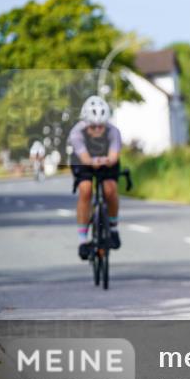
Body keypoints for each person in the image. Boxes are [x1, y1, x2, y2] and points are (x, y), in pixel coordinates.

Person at [68, 95, 122, 260]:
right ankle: (83, 239)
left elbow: (113, 156)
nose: (98, 130)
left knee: (110, 188)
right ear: (86, 123)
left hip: (105, 160)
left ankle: (112, 228)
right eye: (94, 127)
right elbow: (84, 159)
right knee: (85, 189)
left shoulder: (114, 132)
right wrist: (93, 162)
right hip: (83, 161)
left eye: (101, 126)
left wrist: (106, 160)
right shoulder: (77, 133)